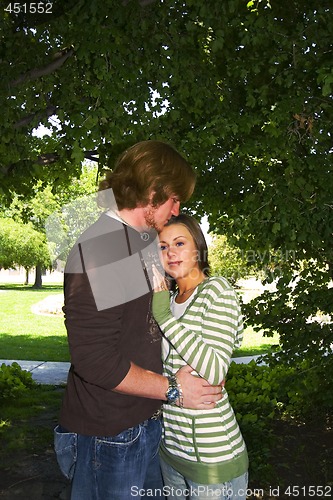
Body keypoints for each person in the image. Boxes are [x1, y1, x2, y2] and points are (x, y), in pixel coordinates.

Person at [53, 141, 223, 500]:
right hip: (108, 435)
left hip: (145, 422)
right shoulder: (102, 250)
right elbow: (94, 361)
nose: (179, 208)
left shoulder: (143, 243)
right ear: (152, 190)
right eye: (174, 198)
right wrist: (174, 390)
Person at [152, 213, 249, 500]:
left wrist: (164, 318)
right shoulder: (167, 299)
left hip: (213, 462)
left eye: (179, 243)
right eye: (162, 246)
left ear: (198, 249)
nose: (170, 252)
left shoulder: (217, 292)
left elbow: (215, 370)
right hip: (170, 454)